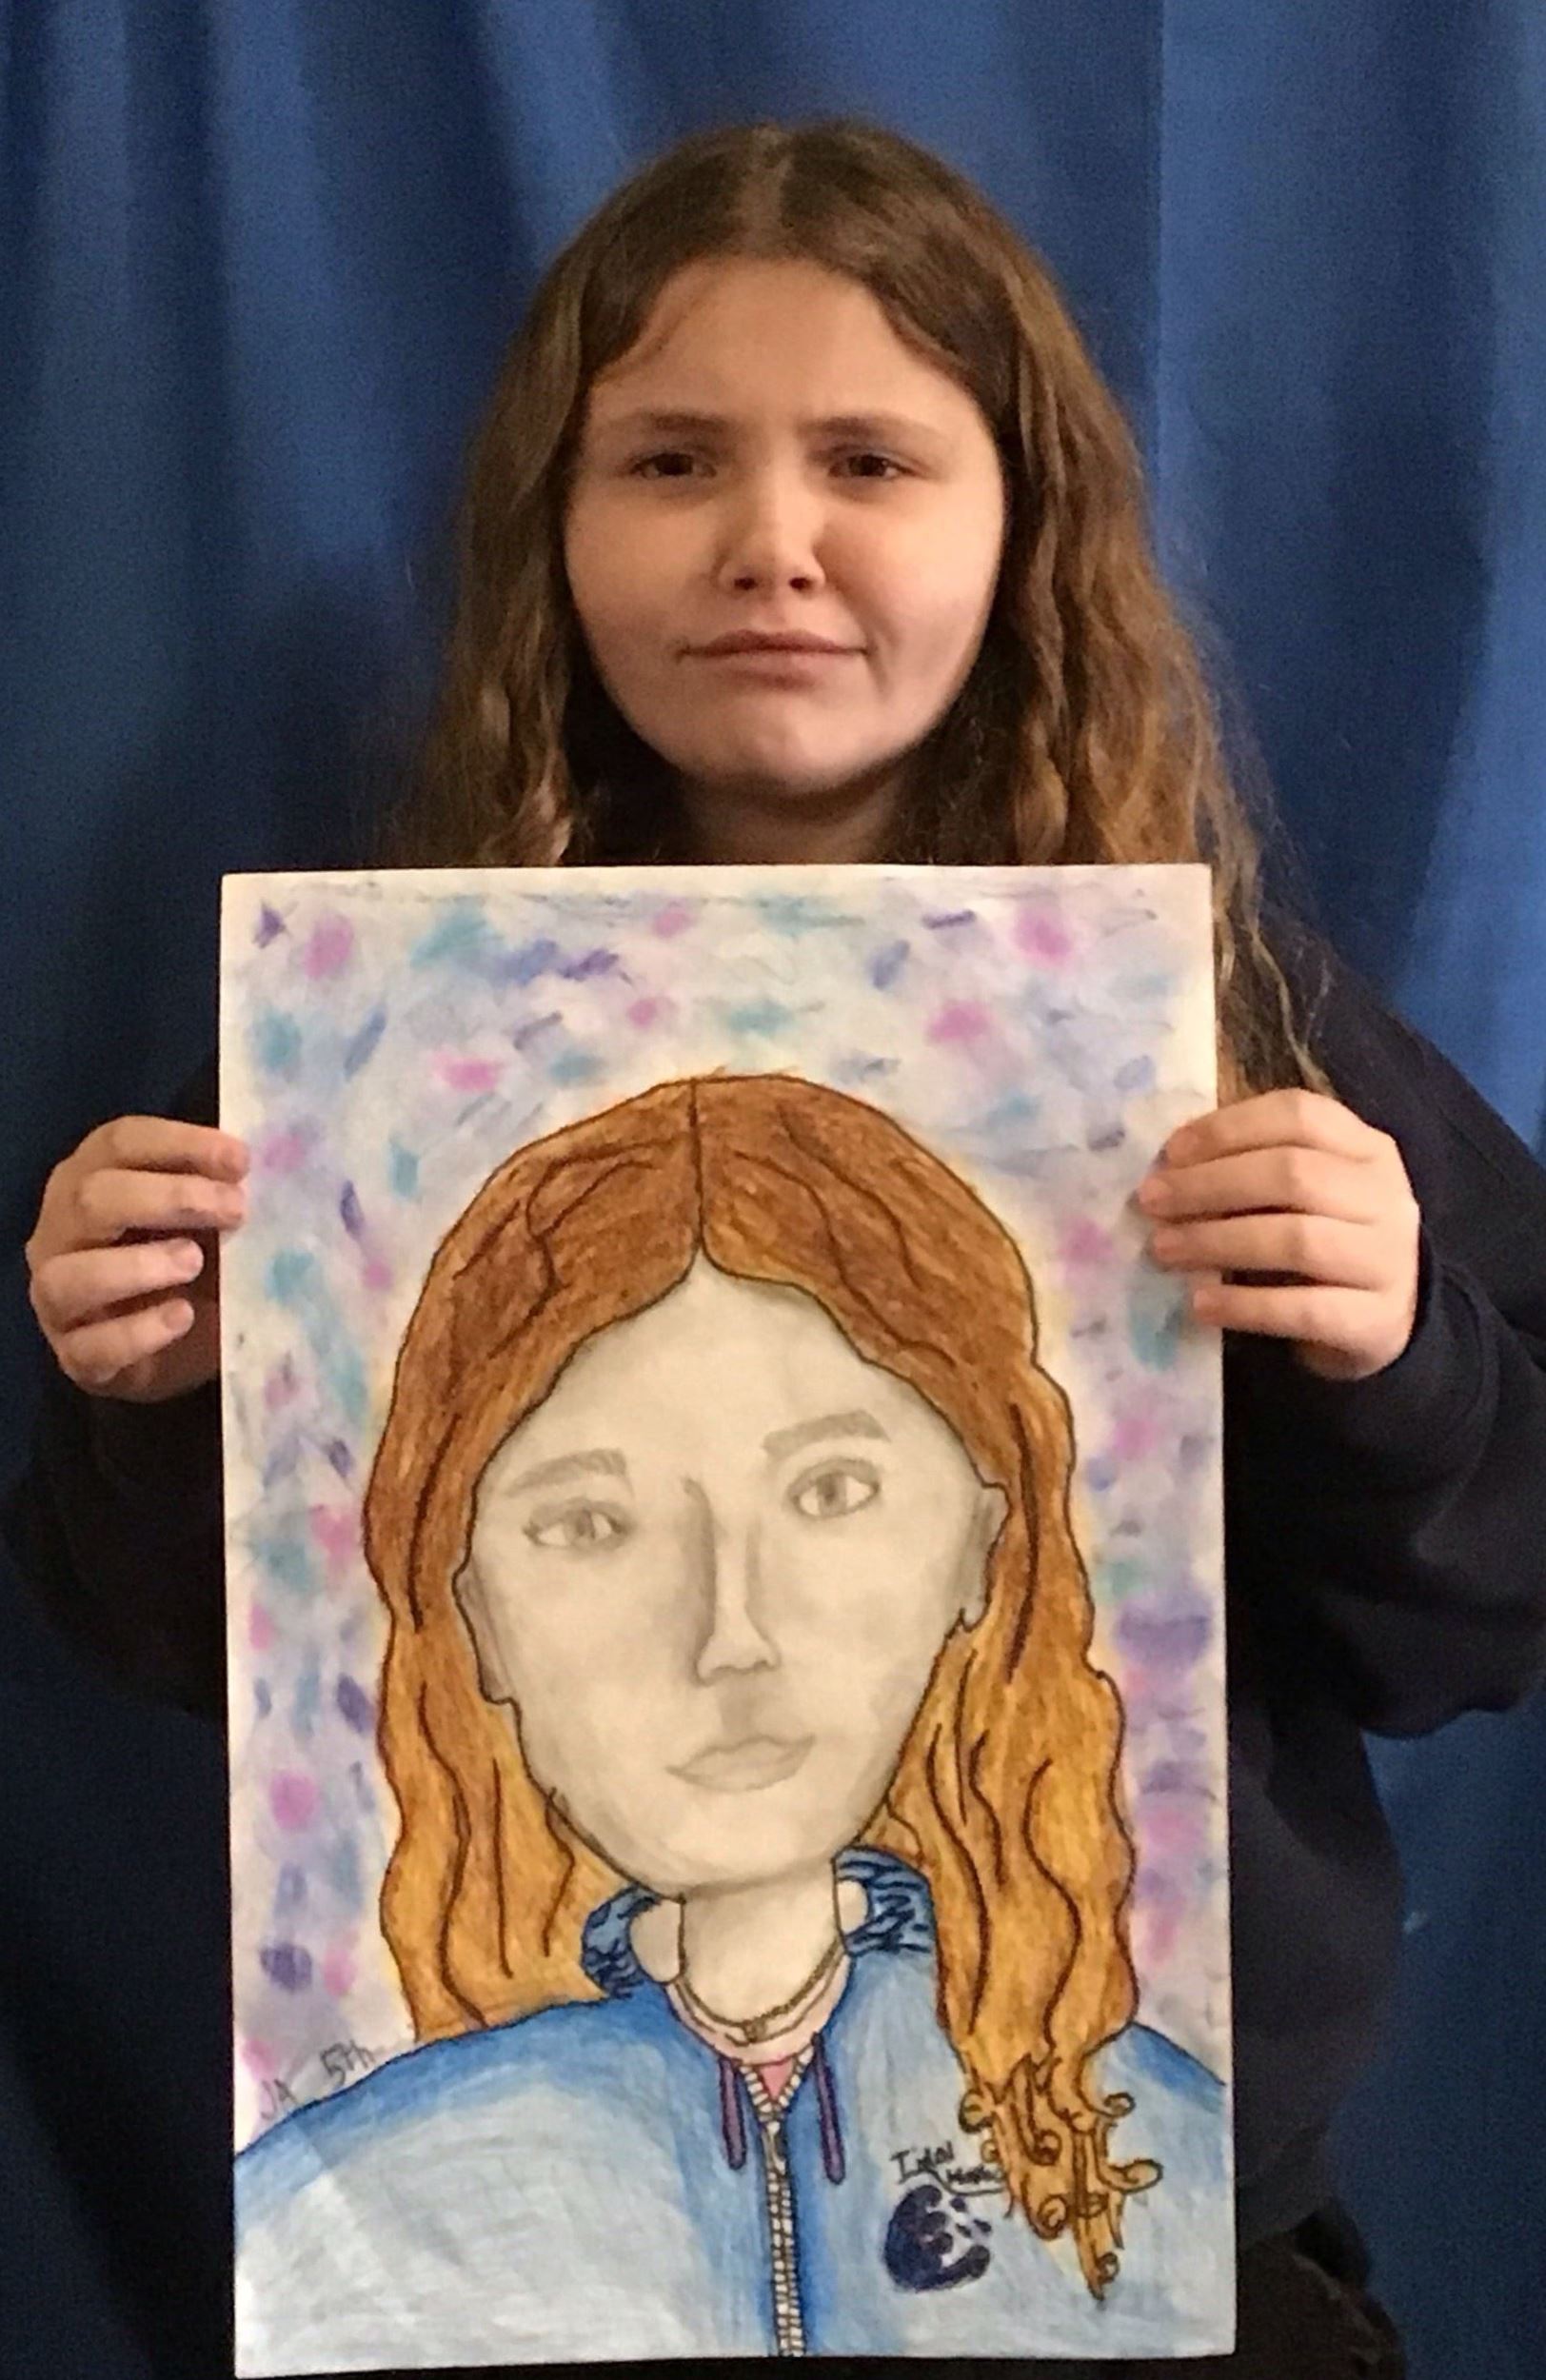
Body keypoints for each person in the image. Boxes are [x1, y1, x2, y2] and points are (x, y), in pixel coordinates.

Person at [9, 114, 1546, 2379]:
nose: (769, 546)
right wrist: (156, 1391)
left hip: (1152, 2260)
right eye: (666, 463)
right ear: (551, 529)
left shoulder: (1238, 1037)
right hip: (514, 2308)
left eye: (870, 460)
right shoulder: (365, 1058)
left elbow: (1476, 1621)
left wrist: (1397, 1356)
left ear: (1022, 525)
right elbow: (198, 1652)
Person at [234, 1073, 1229, 2366]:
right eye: (590, 1523)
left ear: (984, 1545)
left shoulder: (1164, 2149)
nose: (729, 1636)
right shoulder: (331, 2219)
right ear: (470, 1614)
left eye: (831, 1491)